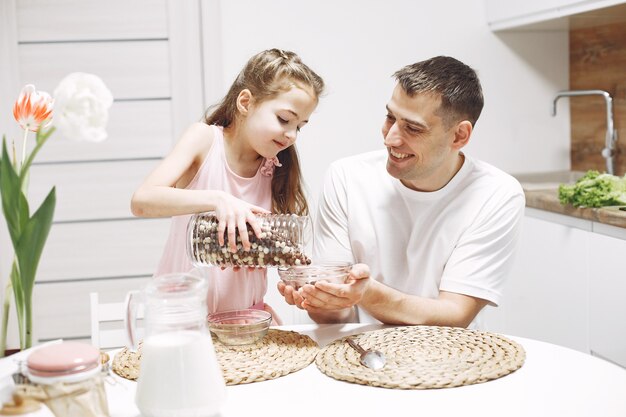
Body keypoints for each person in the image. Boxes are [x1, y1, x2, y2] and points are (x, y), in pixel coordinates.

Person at [278, 56, 525, 329]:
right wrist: (322, 300)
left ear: (459, 136)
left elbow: (456, 314)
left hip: (447, 355)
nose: (390, 138)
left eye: (413, 128)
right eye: (390, 117)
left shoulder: (496, 195)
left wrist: (368, 294)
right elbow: (336, 317)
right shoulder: (346, 177)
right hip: (359, 352)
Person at [131, 48, 324, 320]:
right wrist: (218, 200)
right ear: (245, 102)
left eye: (300, 126)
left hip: (246, 320)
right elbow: (142, 201)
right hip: (182, 318)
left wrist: (300, 279)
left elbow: (281, 250)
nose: (291, 135)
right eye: (284, 119)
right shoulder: (204, 141)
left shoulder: (276, 167)